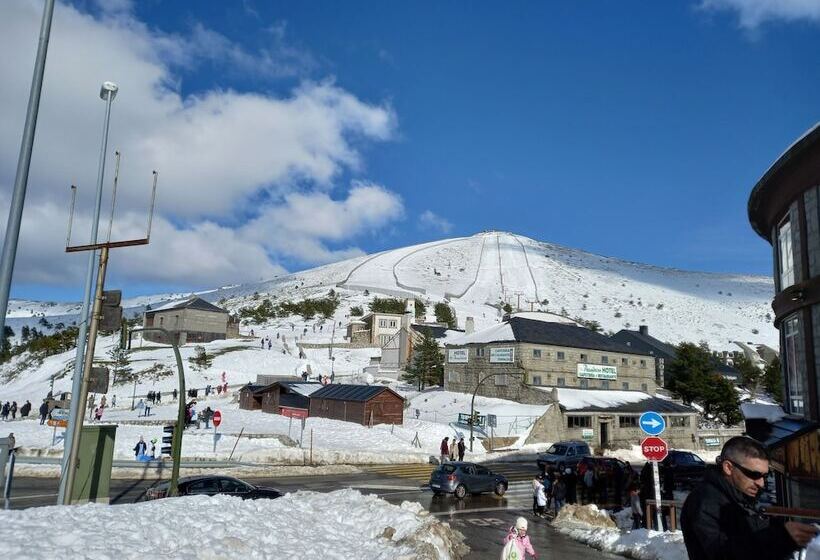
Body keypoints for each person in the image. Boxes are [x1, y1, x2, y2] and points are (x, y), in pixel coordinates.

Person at [681, 436, 818, 560]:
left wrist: (782, 532)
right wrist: (781, 538)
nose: (761, 483)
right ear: (728, 467)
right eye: (754, 474)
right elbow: (721, 554)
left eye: (764, 476)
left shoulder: (738, 495)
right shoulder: (704, 502)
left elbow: (749, 538)